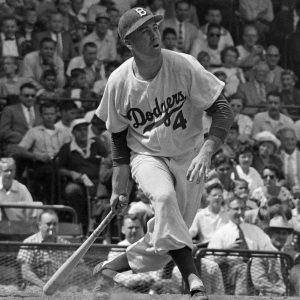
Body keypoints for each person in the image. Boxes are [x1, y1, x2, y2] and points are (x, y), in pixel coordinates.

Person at [93, 6, 234, 300]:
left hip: (190, 154)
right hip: (147, 155)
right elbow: (118, 137)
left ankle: (108, 269)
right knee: (164, 198)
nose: (153, 34)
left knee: (168, 236)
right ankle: (193, 278)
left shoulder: (184, 65)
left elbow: (222, 109)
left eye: (153, 27)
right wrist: (120, 187)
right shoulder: (119, 81)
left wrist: (208, 150)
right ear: (128, 43)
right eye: (143, 31)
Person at [208, 197, 274, 295]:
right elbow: (209, 260)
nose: (240, 212)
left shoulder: (255, 230)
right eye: (236, 209)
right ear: (228, 210)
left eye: (243, 209)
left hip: (257, 271)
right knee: (242, 268)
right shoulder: (220, 233)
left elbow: (270, 249)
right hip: (229, 274)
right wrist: (227, 250)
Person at [56, 118, 109, 234]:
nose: (83, 132)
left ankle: (104, 232)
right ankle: (79, 226)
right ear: (73, 133)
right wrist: (71, 173)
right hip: (78, 183)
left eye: (85, 129)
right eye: (79, 130)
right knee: (71, 190)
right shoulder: (67, 148)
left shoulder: (97, 143)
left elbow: (108, 159)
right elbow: (59, 169)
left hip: (99, 182)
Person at [17, 209, 79, 288]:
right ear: (39, 225)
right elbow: (26, 272)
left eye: (55, 224)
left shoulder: (66, 245)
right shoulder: (29, 243)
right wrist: (45, 287)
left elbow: (80, 267)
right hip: (35, 289)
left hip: (61, 290)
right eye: (48, 224)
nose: (52, 227)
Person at [251, 215, 293, 296]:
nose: (281, 236)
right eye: (278, 232)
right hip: (269, 297)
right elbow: (259, 281)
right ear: (270, 234)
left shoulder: (289, 254)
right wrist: (280, 291)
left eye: (284, 233)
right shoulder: (261, 255)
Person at [0, 82, 41, 157]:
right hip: (16, 145)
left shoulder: (40, 110)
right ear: (20, 96)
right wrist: (26, 139)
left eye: (32, 96)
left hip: (38, 147)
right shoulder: (9, 110)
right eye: (26, 96)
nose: (30, 98)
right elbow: (3, 131)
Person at [189, 179, 228, 244]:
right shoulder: (200, 215)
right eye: (214, 195)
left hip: (225, 249)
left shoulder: (228, 214)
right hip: (207, 250)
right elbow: (190, 233)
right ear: (207, 197)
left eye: (220, 195)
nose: (217, 198)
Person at [0, 157, 35, 221]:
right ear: (0, 171)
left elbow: (31, 211)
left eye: (11, 170)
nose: (9, 173)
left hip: (17, 228)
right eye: (6, 171)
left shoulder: (22, 188)